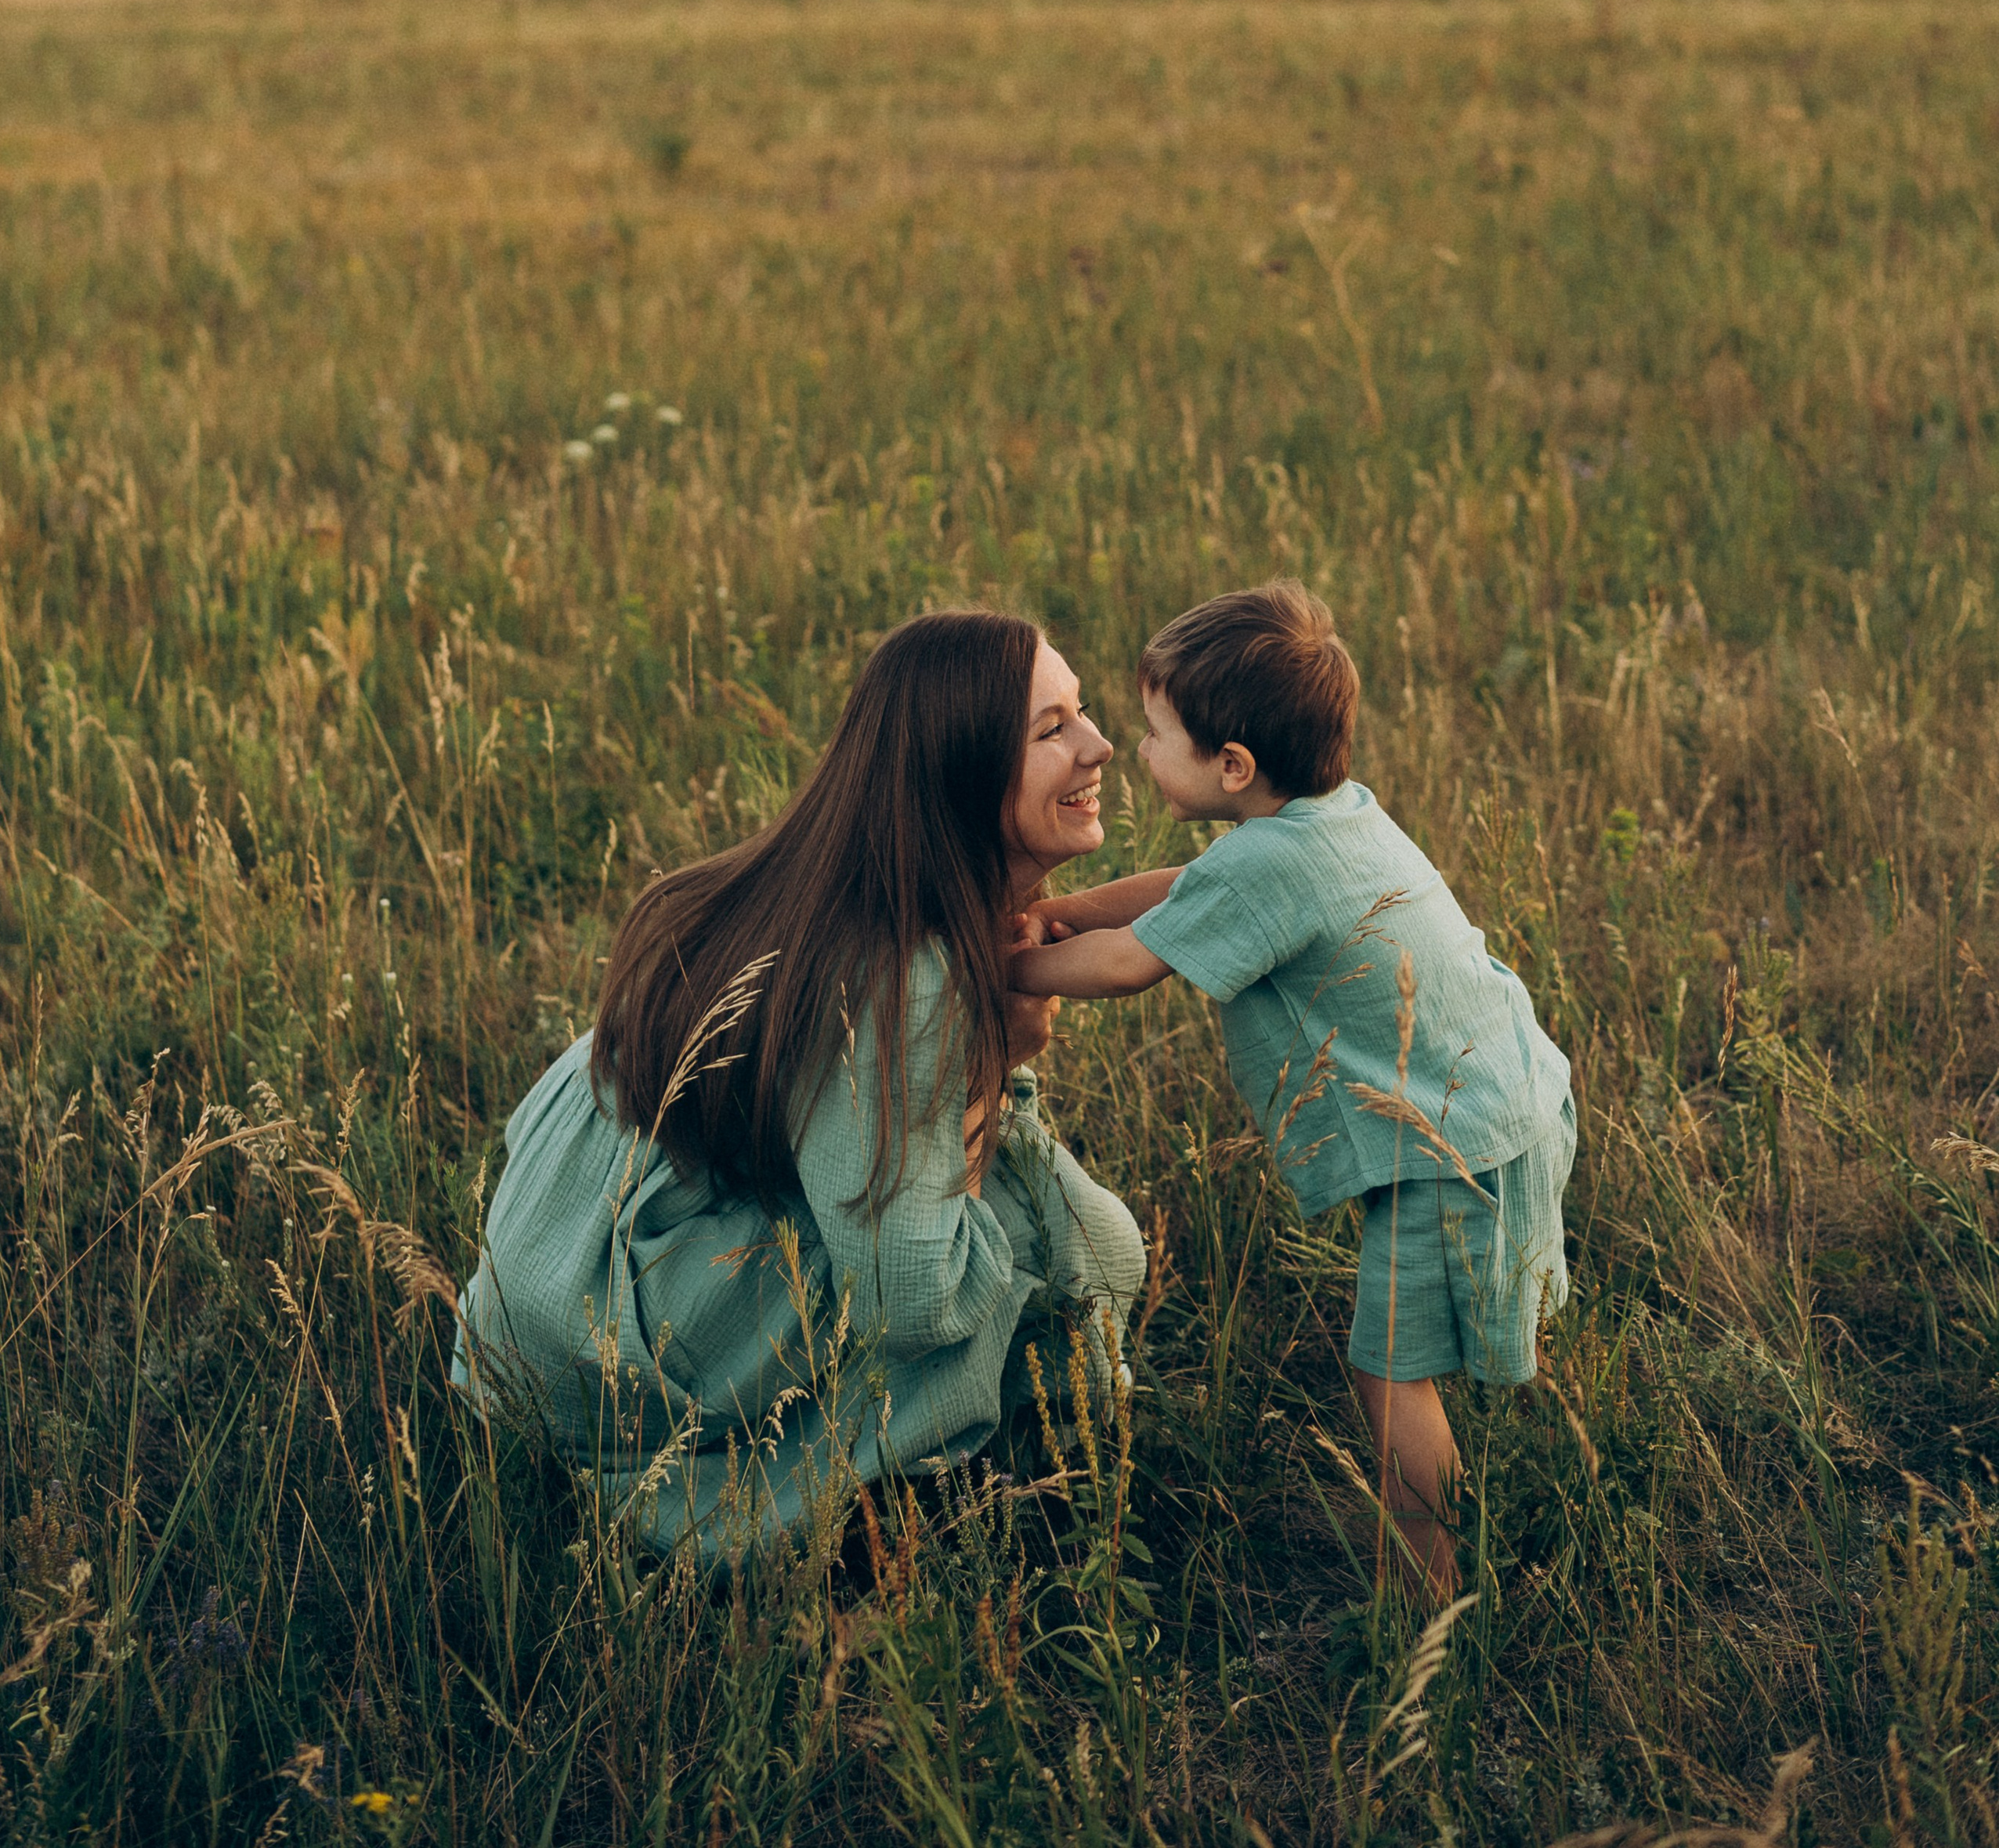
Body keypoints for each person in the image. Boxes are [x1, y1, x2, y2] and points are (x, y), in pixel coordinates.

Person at [453, 610, 1145, 1560]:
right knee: (1077, 1253)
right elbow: (914, 1297)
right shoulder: (910, 974)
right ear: (961, 773)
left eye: (1083, 711)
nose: (1099, 745)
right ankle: (786, 1505)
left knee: (1072, 1231)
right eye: (1051, 729)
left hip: (540, 1290)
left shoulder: (825, 874)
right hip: (618, 1358)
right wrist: (990, 1062)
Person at [1010, 580, 1573, 1599]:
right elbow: (1189, 890)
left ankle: (1429, 1594)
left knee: (1391, 1371)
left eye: (1155, 734)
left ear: (1231, 765)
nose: (1134, 751)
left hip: (1450, 1145)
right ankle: (1515, 1516)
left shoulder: (1271, 863)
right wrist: (1073, 907)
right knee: (1432, 1345)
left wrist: (991, 963)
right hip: (1497, 1101)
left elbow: (1131, 966)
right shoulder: (1322, 819)